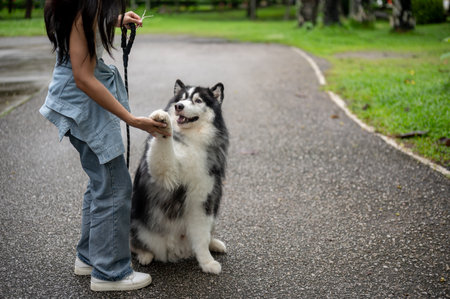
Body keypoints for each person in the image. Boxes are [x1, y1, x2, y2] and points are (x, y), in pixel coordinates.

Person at [40, 0, 169, 292]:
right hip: (79, 100)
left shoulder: (86, 5)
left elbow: (83, 37)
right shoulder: (80, 6)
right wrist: (131, 120)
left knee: (102, 181)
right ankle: (109, 273)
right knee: (114, 184)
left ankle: (90, 257)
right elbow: (83, 77)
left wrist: (114, 19)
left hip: (78, 97)